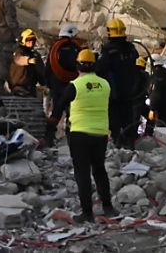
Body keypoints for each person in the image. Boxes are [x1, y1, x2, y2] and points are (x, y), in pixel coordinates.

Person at [53, 49, 119, 223]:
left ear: (77, 65)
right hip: (100, 134)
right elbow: (111, 106)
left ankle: (87, 213)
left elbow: (59, 108)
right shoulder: (105, 84)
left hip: (79, 134)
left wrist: (50, 129)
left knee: (82, 173)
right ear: (94, 65)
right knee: (99, 170)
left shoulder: (75, 85)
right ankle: (108, 207)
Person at [95, 18, 140, 148]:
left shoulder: (108, 50)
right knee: (128, 118)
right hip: (130, 91)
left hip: (113, 93)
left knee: (114, 119)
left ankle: (117, 142)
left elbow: (99, 70)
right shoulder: (131, 49)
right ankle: (130, 143)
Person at [44, 23, 85, 147]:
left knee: (57, 111)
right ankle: (71, 137)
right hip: (71, 85)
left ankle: (49, 136)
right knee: (72, 112)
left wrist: (48, 84)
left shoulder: (55, 48)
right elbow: (78, 66)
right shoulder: (75, 48)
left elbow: (49, 67)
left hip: (57, 85)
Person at [9, 28, 45, 96]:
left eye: (33, 40)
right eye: (28, 40)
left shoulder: (35, 55)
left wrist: (44, 82)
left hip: (31, 88)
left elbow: (41, 71)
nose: (31, 42)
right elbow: (18, 59)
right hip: (18, 87)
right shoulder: (18, 51)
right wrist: (28, 61)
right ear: (23, 40)